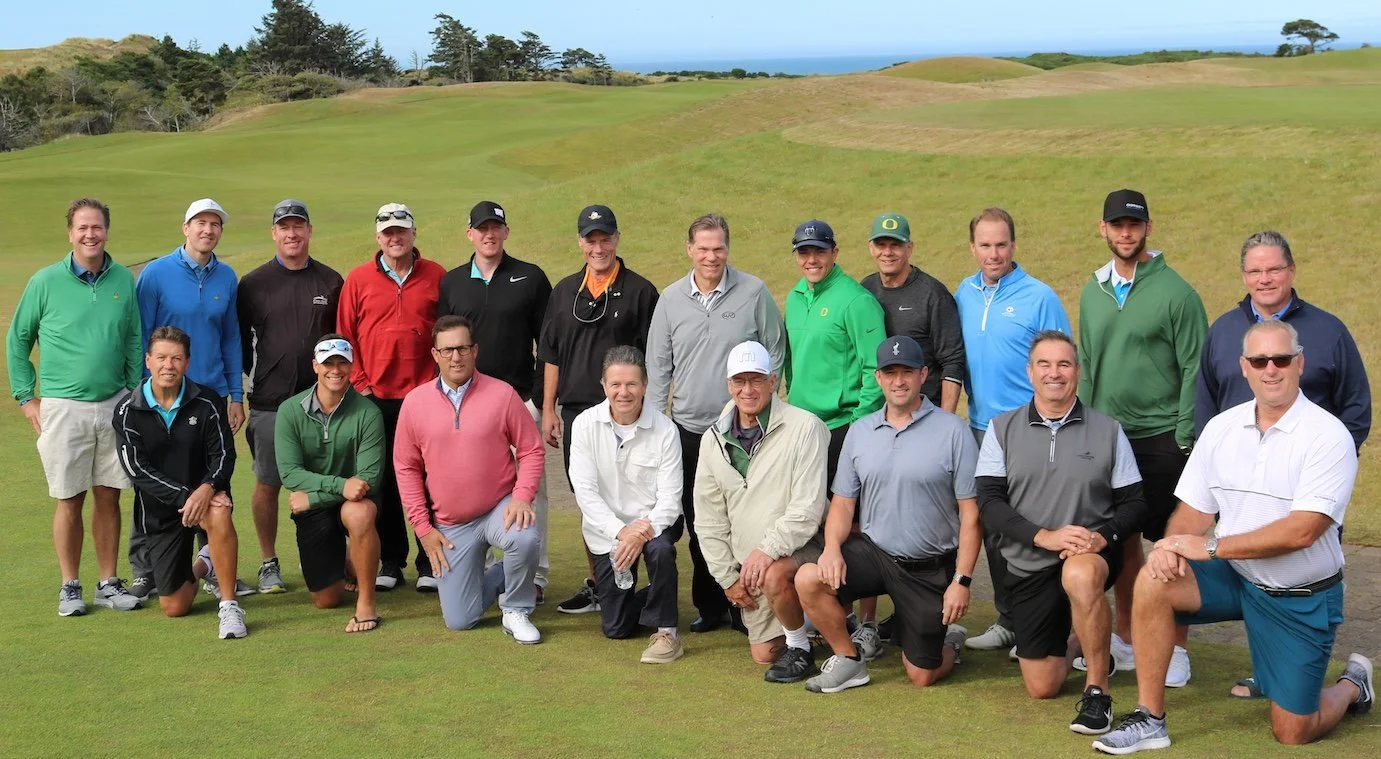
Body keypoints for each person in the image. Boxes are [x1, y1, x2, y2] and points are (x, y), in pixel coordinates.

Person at [1094, 320, 1372, 754]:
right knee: (1153, 578)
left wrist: (1208, 547)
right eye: (1259, 360)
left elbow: (1304, 530)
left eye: (1281, 359)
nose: (1271, 369)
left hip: (1299, 596)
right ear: (1244, 367)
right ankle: (1150, 719)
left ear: (1299, 363)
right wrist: (1169, 548)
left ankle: (1352, 686)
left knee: (1293, 730)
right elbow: (1191, 511)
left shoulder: (1328, 435)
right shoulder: (1221, 428)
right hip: (1238, 577)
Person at [1197, 230, 1371, 701]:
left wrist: (1326, 465)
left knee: (1301, 572)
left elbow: (1356, 407)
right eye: (1255, 270)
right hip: (1238, 483)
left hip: (1304, 483)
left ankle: (1314, 676)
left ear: (1291, 271)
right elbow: (1205, 402)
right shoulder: (1224, 330)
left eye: (1274, 269)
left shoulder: (1328, 330)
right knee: (1244, 569)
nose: (1265, 278)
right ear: (1244, 276)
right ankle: (1264, 671)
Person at [977, 330, 1149, 735]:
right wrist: (1043, 537)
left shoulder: (1108, 430)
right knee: (1042, 686)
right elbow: (989, 503)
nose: (1055, 373)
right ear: (1030, 372)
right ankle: (1085, 645)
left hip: (1086, 553)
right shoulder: (1001, 428)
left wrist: (1101, 537)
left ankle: (1096, 693)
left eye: (1064, 364)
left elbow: (1136, 504)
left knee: (1081, 574)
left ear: (1077, 371)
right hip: (1030, 559)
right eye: (1045, 364)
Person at [796, 336, 979, 693]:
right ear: (878, 378)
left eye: (907, 371)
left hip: (928, 566)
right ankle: (850, 662)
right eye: (890, 372)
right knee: (808, 577)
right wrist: (831, 548)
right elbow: (843, 503)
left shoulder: (953, 431)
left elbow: (971, 515)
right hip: (875, 553)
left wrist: (962, 581)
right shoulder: (861, 431)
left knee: (921, 675)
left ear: (923, 374)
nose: (898, 381)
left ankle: (949, 642)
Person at [1076, 189, 1206, 686]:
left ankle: (1175, 649)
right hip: (1108, 437)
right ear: (1103, 229)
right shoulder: (1093, 291)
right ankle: (1129, 640)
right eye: (1116, 225)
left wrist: (1184, 436)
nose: (1125, 233)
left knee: (1174, 541)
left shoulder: (1177, 293)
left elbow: (1195, 367)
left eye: (1134, 225)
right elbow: (1088, 362)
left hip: (1162, 438)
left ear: (1148, 228)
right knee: (1124, 542)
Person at [646, 213, 787, 634]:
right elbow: (658, 366)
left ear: (728, 248)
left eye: (718, 248)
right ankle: (712, 605)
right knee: (701, 519)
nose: (711, 256)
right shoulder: (670, 299)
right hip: (689, 430)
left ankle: (749, 606)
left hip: (744, 430)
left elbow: (775, 352)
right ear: (689, 249)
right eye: (703, 248)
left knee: (748, 518)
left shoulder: (753, 291)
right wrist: (658, 428)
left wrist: (766, 411)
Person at [7, 198, 144, 616]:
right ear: (70, 233)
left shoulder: (122, 278)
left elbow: (134, 340)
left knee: (109, 496)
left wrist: (134, 393)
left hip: (115, 404)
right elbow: (18, 342)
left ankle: (107, 582)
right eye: (83, 228)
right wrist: (27, 398)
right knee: (69, 498)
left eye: (97, 227)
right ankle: (70, 586)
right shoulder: (44, 281)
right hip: (64, 407)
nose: (90, 234)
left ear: (106, 231)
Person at [955, 207, 1071, 653]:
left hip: (1031, 429)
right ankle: (1010, 619)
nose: (993, 253)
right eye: (985, 245)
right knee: (995, 526)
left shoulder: (1039, 296)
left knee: (1036, 527)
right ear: (973, 248)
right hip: (982, 430)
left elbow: (1063, 363)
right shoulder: (963, 294)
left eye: (1001, 244)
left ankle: (1042, 625)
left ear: (1013, 246)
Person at [538, 204, 658, 615]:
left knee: (632, 492)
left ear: (617, 239)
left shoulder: (641, 291)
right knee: (589, 498)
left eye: (605, 238)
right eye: (591, 240)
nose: (599, 246)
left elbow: (652, 360)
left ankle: (634, 579)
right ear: (580, 243)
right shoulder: (564, 290)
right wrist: (548, 409)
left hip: (625, 412)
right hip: (575, 412)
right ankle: (600, 583)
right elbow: (550, 354)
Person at [394, 316, 544, 643]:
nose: (456, 357)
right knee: (460, 620)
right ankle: (505, 574)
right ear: (435, 354)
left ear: (474, 350)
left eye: (462, 348)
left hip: (499, 507)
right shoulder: (414, 403)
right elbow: (405, 468)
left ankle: (517, 609)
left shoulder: (502, 394)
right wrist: (423, 528)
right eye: (447, 350)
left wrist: (522, 496)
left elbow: (532, 449)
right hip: (451, 524)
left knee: (525, 539)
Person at [133, 198, 250, 597]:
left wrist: (236, 393)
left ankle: (214, 566)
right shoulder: (156, 274)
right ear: (185, 228)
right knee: (152, 477)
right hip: (163, 394)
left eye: (215, 224)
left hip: (211, 395)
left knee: (214, 480)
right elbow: (143, 336)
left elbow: (231, 338)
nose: (208, 230)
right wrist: (140, 393)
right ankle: (144, 567)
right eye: (200, 223)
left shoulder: (227, 276)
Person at [437, 201, 554, 601]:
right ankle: (492, 568)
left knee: (529, 489)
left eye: (496, 228)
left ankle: (535, 576)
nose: (489, 235)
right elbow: (443, 346)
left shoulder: (531, 277)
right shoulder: (453, 283)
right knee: (479, 482)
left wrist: (541, 402)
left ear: (506, 232)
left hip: (521, 401)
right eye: (482, 228)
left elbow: (549, 345)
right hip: (469, 406)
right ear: (469, 233)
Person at [694, 340, 828, 680]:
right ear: (729, 385)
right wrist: (727, 578)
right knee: (764, 654)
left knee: (774, 576)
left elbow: (808, 509)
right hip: (749, 568)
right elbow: (708, 519)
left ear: (773, 381)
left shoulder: (806, 427)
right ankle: (816, 619)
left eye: (757, 379)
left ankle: (804, 641)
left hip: (803, 548)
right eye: (740, 381)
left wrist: (766, 550)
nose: (748, 389)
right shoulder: (712, 439)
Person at [236, 199, 344, 595]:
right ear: (274, 234)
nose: (292, 233)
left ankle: (324, 555)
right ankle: (269, 563)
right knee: (269, 481)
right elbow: (240, 343)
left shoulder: (331, 282)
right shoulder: (252, 284)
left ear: (310, 230)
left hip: (321, 404)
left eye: (299, 226)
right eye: (284, 227)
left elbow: (341, 345)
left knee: (323, 483)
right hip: (269, 402)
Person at [337, 203, 446, 592]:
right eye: (387, 232)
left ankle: (430, 560)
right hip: (373, 398)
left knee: (427, 479)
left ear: (414, 234)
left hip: (424, 397)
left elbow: (446, 333)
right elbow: (345, 338)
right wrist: (362, 386)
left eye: (401, 231)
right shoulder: (358, 279)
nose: (395, 237)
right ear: (377, 237)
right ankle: (392, 561)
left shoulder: (436, 276)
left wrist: (437, 382)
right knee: (380, 482)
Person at [112, 326, 245, 639]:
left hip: (207, 500)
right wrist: (189, 497)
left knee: (219, 511)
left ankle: (229, 605)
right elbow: (137, 470)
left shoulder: (208, 401)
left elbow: (225, 456)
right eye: (161, 358)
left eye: (175, 358)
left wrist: (207, 489)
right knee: (175, 605)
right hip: (162, 513)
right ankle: (205, 564)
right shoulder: (128, 410)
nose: (167, 365)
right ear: (148, 361)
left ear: (187, 362)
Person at [569, 346, 685, 662]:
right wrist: (623, 532)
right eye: (616, 384)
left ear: (645, 385)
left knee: (660, 550)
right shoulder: (583, 425)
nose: (624, 392)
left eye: (632, 384)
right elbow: (585, 493)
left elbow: (671, 498)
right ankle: (664, 594)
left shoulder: (665, 430)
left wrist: (640, 532)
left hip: (654, 523)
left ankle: (667, 632)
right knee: (617, 627)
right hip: (607, 531)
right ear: (604, 386)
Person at [274, 335, 385, 633]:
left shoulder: (368, 413)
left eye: (342, 363)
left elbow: (368, 479)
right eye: (328, 363)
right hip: (329, 500)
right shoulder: (289, 411)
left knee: (359, 513)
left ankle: (366, 601)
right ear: (315, 366)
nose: (335, 370)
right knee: (326, 600)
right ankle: (348, 560)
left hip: (351, 501)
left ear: (351, 366)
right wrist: (339, 486)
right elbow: (290, 474)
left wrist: (313, 497)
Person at [860, 212, 964, 412]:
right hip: (877, 415)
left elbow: (952, 361)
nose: (888, 252)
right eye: (881, 245)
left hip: (924, 412)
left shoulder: (933, 294)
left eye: (896, 245)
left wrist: (945, 420)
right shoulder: (866, 290)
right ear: (871, 248)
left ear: (909, 248)